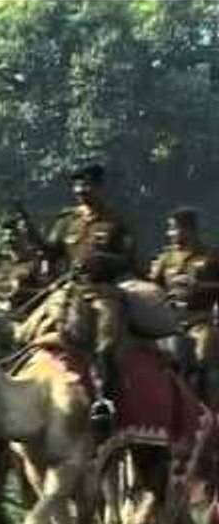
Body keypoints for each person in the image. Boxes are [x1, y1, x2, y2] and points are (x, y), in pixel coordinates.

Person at [41, 163, 136, 434]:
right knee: (37, 333)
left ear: (99, 187)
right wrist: (31, 235)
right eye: (77, 186)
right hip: (72, 293)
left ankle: (104, 403)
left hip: (104, 294)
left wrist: (104, 259)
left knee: (105, 345)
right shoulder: (66, 221)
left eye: (86, 185)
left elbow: (129, 261)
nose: (81, 191)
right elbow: (51, 252)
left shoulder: (116, 221)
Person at [149, 208, 219, 404]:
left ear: (188, 229)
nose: (170, 234)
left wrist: (200, 287)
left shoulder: (211, 256)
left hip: (200, 321)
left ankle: (205, 406)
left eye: (173, 228)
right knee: (170, 361)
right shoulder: (166, 259)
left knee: (202, 358)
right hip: (172, 323)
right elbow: (151, 287)